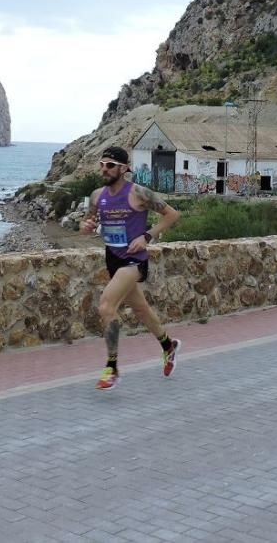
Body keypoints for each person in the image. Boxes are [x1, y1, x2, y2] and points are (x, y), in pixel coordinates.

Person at [80, 146, 182, 390]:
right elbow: (87, 222)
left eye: (110, 165)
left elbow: (171, 214)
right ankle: (169, 345)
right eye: (102, 164)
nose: (104, 169)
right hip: (112, 258)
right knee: (141, 309)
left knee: (106, 306)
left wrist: (147, 236)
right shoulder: (97, 195)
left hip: (134, 260)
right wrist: (85, 226)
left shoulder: (138, 193)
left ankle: (112, 367)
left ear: (124, 168)